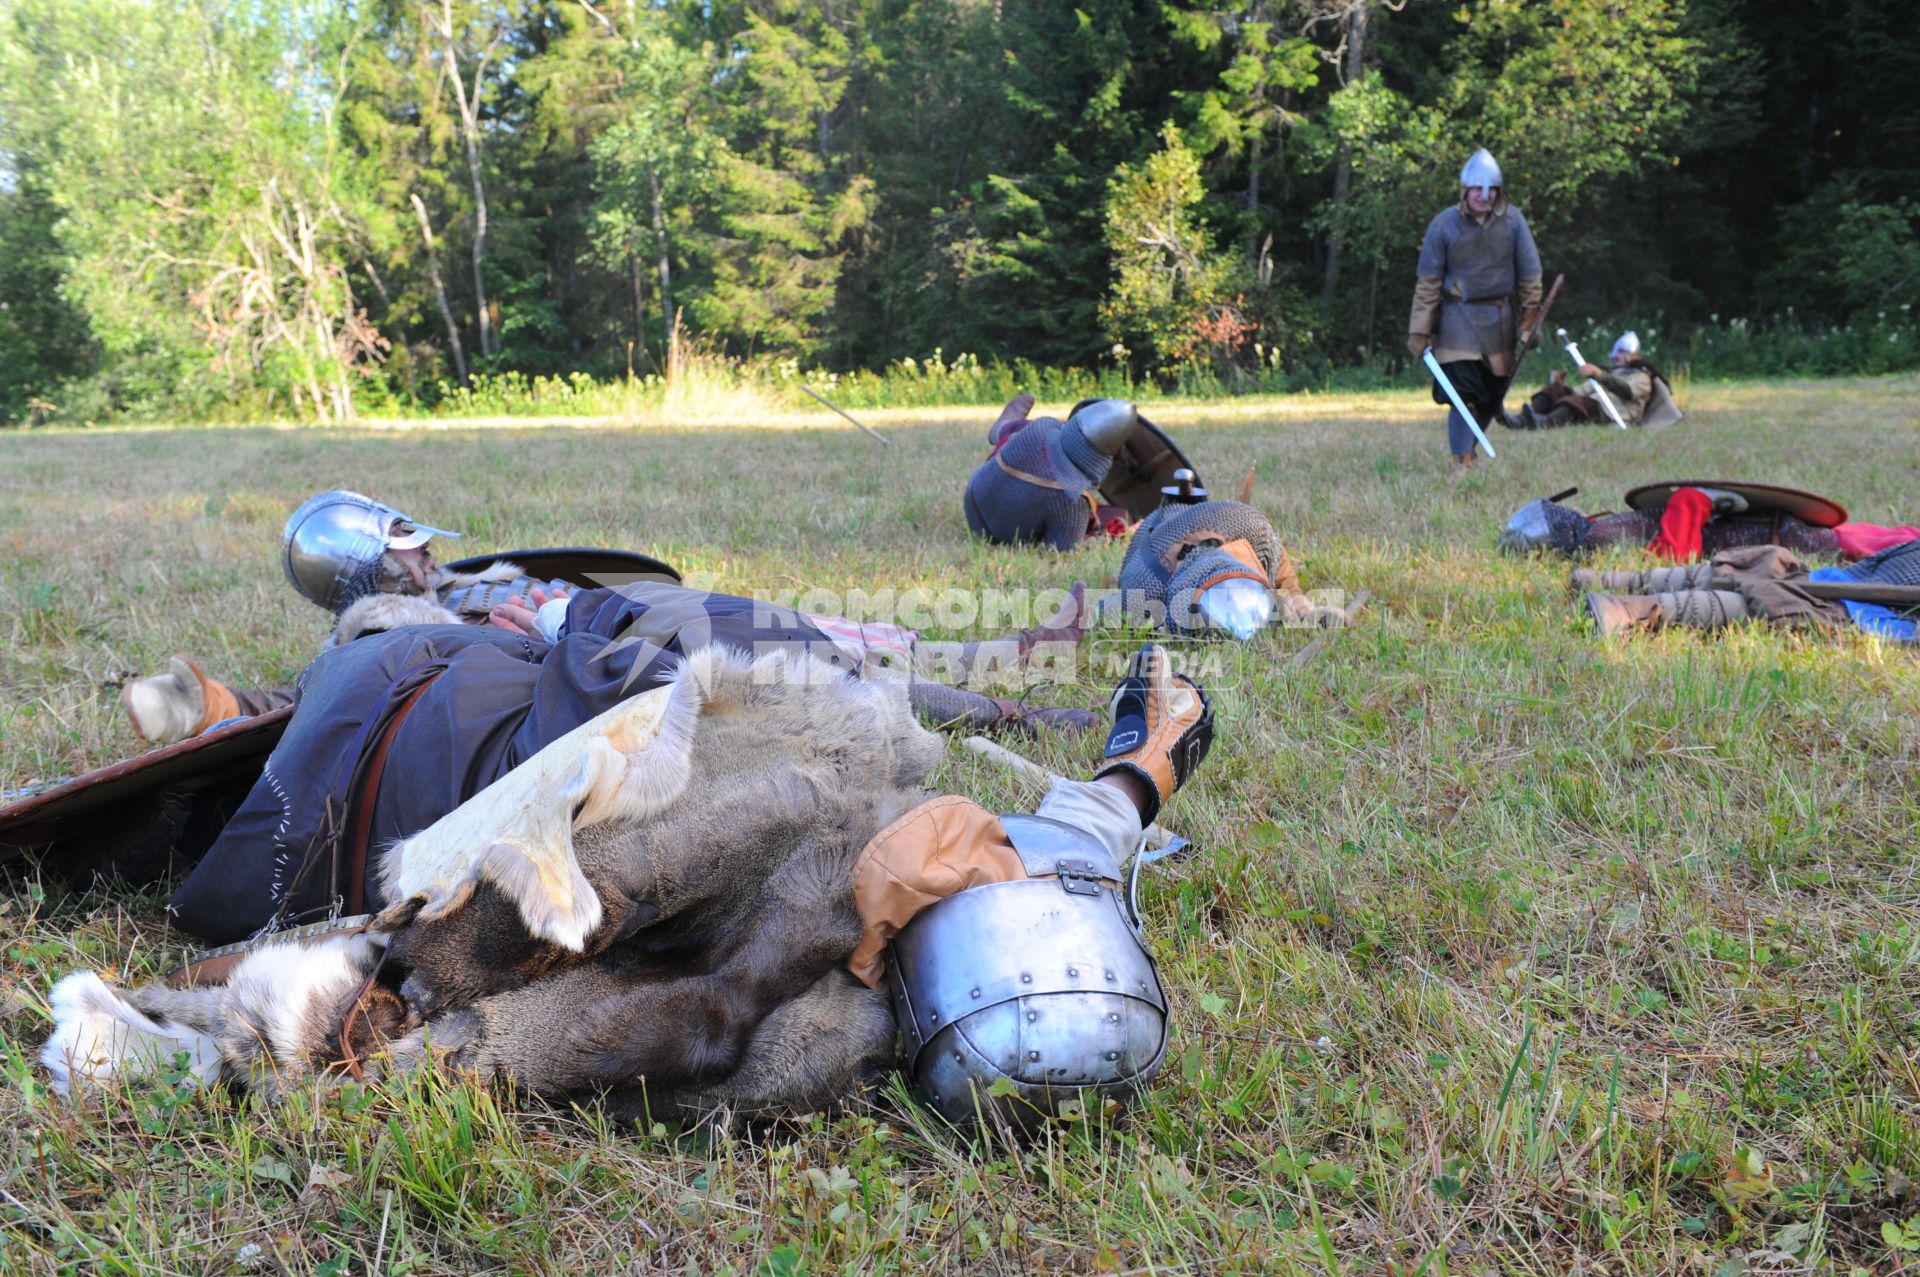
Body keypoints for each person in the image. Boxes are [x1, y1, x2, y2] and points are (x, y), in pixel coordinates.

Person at [120, 488, 1099, 747]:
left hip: (631, 621)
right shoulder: (378, 614)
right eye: (405, 539)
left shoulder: (444, 585)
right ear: (370, 559)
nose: (425, 549)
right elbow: (329, 692)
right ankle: (1010, 708)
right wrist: (212, 701)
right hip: (614, 664)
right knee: (816, 665)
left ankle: (1010, 657)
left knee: (824, 634)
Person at [1408, 148, 1544, 476]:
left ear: (1498, 190)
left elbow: (1530, 276)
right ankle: (1460, 460)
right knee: (1462, 394)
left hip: (1500, 321)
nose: (1484, 196)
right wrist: (1420, 329)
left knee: (1491, 397)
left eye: (1491, 189)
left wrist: (1528, 320)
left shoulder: (1513, 221)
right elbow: (1428, 282)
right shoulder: (1444, 224)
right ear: (1465, 190)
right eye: (1477, 189)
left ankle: (1468, 452)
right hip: (1458, 321)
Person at [1578, 539, 1920, 641]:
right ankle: (1625, 581)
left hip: (1876, 612)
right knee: (1766, 563)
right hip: (1851, 579)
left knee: (1782, 603)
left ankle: (1635, 610)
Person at [964, 397, 1139, 549]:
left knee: (1017, 433)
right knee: (1118, 516)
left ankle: (1002, 428)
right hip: (1000, 536)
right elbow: (1059, 551)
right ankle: (1002, 428)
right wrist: (1123, 536)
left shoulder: (1038, 430)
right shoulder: (1072, 502)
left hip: (972, 498)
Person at [1515, 331, 1683, 430]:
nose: (1618, 356)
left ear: (1633, 355)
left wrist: (1599, 374)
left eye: (1622, 352)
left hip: (1612, 414)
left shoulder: (1642, 377)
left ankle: (1543, 423)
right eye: (1618, 352)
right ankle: (1520, 420)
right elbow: (1578, 392)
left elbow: (1627, 390)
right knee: (1556, 393)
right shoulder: (1611, 373)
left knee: (1575, 403)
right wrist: (1560, 385)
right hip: (1594, 403)